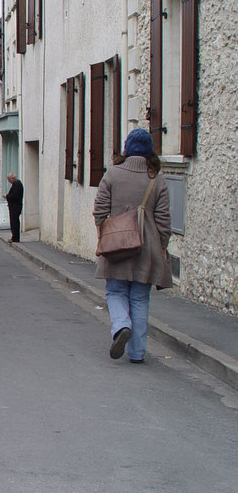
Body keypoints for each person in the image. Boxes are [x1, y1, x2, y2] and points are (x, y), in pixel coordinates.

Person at [93, 128, 172, 363]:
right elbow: (164, 221)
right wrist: (162, 245)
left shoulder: (112, 174)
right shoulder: (157, 180)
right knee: (139, 298)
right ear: (149, 151)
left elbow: (99, 211)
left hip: (116, 244)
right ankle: (137, 353)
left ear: (127, 148)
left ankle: (121, 326)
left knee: (115, 291)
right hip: (146, 249)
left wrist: (103, 235)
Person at [5, 172, 24, 242]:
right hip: (15, 206)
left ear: (12, 178)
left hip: (15, 206)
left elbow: (15, 196)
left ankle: (15, 238)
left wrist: (7, 196)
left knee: (14, 222)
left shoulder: (17, 184)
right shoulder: (16, 184)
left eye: (9, 180)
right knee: (13, 222)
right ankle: (14, 237)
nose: (9, 182)